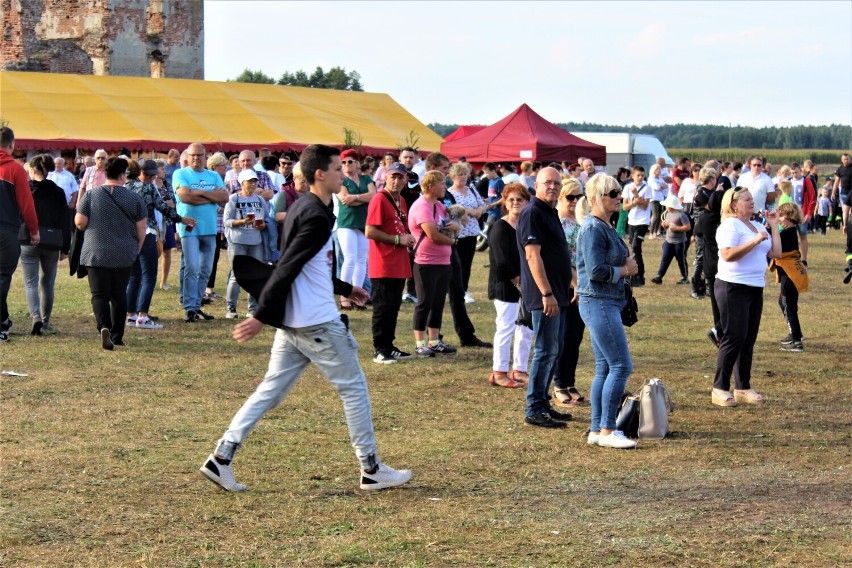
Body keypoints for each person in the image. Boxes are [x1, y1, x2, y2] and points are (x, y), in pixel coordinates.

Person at [199, 144, 411, 492]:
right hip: (315, 323)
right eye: (337, 170)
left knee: (270, 391)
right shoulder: (313, 215)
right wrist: (260, 316)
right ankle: (371, 468)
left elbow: (311, 266)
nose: (343, 176)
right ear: (320, 175)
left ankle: (221, 458)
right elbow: (288, 267)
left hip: (297, 321)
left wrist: (345, 286)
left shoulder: (312, 209)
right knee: (355, 389)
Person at [575, 173, 639, 449]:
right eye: (611, 193)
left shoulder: (605, 226)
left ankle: (596, 428)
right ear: (594, 198)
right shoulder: (593, 228)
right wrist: (626, 270)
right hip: (598, 300)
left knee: (604, 367)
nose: (618, 197)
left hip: (604, 300)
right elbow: (596, 271)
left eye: (618, 192)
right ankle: (608, 429)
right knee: (621, 365)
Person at [516, 167, 575, 428]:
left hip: (558, 293)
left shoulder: (549, 212)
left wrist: (572, 283)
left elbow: (558, 254)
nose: (552, 186)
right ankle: (535, 407)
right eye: (547, 182)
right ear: (536, 185)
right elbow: (532, 256)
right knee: (545, 350)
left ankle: (543, 402)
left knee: (554, 349)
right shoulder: (532, 212)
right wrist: (546, 293)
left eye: (556, 183)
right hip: (545, 296)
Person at [711, 188, 781, 407]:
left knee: (748, 338)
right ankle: (719, 388)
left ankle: (742, 387)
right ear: (734, 205)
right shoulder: (729, 226)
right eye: (747, 199)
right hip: (732, 286)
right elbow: (728, 255)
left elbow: (776, 253)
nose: (752, 202)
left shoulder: (759, 226)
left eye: (752, 199)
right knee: (734, 336)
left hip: (754, 287)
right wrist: (755, 241)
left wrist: (774, 226)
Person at [75, 157, 147, 350]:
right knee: (118, 295)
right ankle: (118, 336)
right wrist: (136, 250)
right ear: (124, 175)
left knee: (99, 295)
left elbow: (80, 222)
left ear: (105, 173)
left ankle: (104, 326)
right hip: (124, 252)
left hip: (96, 251)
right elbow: (142, 229)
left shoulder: (91, 195)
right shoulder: (135, 198)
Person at [125, 159, 192, 329]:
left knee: (134, 277)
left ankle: (130, 315)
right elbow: (163, 207)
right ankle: (143, 316)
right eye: (150, 174)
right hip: (146, 233)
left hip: (129, 234)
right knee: (148, 276)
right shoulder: (148, 187)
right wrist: (182, 219)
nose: (151, 177)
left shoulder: (127, 186)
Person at [365, 162, 416, 364]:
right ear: (385, 177)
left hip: (397, 261)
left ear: (406, 179)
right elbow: (370, 231)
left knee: (393, 306)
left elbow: (397, 227)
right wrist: (398, 240)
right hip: (383, 262)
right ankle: (380, 349)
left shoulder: (401, 200)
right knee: (382, 307)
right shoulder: (379, 199)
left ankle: (389, 345)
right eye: (392, 176)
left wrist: (406, 236)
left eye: (400, 177)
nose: (396, 181)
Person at [174, 143, 229, 322]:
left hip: (209, 228)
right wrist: (209, 194)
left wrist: (197, 193)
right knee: (191, 268)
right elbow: (184, 197)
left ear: (206, 157)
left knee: (205, 270)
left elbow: (224, 198)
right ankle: (189, 308)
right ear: (188, 157)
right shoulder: (180, 173)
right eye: (193, 155)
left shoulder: (213, 175)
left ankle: (197, 306)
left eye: (200, 155)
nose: (197, 158)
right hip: (189, 228)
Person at [487, 182, 533, 389]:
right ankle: (499, 372)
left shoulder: (526, 225)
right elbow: (502, 261)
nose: (515, 203)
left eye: (520, 199)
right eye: (511, 199)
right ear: (505, 202)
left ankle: (519, 369)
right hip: (506, 286)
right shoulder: (499, 227)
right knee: (506, 329)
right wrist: (519, 282)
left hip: (526, 285)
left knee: (525, 329)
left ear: (526, 202)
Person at [408, 170, 459, 357]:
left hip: (443, 261)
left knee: (437, 302)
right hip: (425, 262)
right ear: (431, 186)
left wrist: (456, 228)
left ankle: (434, 340)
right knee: (424, 302)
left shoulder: (438, 205)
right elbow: (433, 235)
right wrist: (453, 240)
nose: (445, 187)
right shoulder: (421, 206)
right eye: (442, 184)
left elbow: (453, 225)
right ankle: (420, 343)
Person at [21, 155, 69, 336]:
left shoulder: (24, 189)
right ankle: (46, 321)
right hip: (51, 241)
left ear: (32, 170)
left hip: (27, 239)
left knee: (30, 282)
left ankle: (36, 317)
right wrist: (65, 247)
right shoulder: (57, 191)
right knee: (48, 282)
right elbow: (65, 220)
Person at [0, 126, 39, 342]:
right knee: (3, 277)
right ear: (12, 145)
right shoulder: (15, 170)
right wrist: (34, 231)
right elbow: (27, 204)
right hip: (6, 231)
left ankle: (4, 320)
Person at [552, 177, 588, 406]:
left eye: (578, 196)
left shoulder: (583, 221)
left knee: (575, 336)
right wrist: (573, 279)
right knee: (562, 337)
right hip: (562, 284)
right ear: (561, 197)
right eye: (570, 197)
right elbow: (557, 258)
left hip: (582, 285)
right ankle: (558, 384)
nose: (575, 201)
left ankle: (569, 381)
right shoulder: (555, 222)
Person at [223, 169, 268, 319]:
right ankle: (231, 308)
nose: (253, 184)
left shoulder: (260, 200)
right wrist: (241, 222)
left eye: (254, 181)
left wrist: (263, 225)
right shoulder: (233, 199)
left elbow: (267, 219)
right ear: (241, 183)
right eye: (250, 181)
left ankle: (253, 308)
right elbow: (227, 221)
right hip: (237, 241)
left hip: (256, 241)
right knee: (236, 275)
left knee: (256, 274)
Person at [336, 149, 375, 310]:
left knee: (361, 260)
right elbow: (345, 200)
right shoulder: (340, 179)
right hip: (346, 223)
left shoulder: (366, 178)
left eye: (350, 161)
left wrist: (357, 197)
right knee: (350, 258)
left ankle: (358, 296)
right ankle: (345, 297)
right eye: (343, 162)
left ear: (358, 163)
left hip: (363, 222)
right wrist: (363, 199)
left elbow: (374, 196)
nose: (346, 165)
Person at [769, 203, 808, 353]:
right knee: (784, 302)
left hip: (790, 276)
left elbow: (772, 242)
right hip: (791, 275)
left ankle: (796, 341)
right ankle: (795, 332)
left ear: (790, 217)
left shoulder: (787, 234)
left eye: (781, 216)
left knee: (789, 306)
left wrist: (768, 227)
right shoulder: (791, 231)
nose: (779, 220)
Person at [448, 162, 486, 303]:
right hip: (459, 233)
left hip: (472, 232)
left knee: (467, 263)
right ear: (453, 176)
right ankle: (457, 291)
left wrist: (480, 210)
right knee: (458, 263)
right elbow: (455, 208)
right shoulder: (450, 193)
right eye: (460, 174)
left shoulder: (472, 189)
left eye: (465, 174)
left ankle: (464, 290)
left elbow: (482, 203)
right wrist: (472, 211)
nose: (463, 177)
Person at [694, 189, 725, 348]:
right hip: (725, 264)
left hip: (710, 264)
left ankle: (718, 330)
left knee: (715, 300)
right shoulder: (727, 220)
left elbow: (697, 232)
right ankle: (720, 329)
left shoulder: (705, 218)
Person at [650, 193, 690, 285]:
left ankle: (684, 277)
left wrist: (677, 228)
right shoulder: (667, 214)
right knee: (665, 258)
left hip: (679, 242)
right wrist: (665, 226)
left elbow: (688, 227)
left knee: (681, 259)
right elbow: (668, 225)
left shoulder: (681, 215)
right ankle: (659, 276)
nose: (666, 207)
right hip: (669, 240)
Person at [621, 166, 652, 286]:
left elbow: (645, 206)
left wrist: (636, 194)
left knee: (636, 247)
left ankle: (640, 276)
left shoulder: (647, 187)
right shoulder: (628, 187)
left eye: (642, 175)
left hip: (643, 222)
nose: (640, 177)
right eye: (638, 175)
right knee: (633, 249)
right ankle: (634, 275)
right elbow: (624, 207)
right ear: (632, 175)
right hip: (632, 221)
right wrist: (634, 200)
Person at [647, 163, 670, 238]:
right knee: (655, 215)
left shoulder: (660, 179)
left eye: (659, 169)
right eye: (657, 169)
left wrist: (662, 187)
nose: (659, 171)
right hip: (654, 199)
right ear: (653, 170)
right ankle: (651, 232)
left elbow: (666, 186)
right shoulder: (651, 178)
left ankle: (656, 232)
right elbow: (656, 187)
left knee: (660, 216)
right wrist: (661, 186)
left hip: (661, 198)